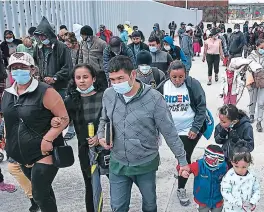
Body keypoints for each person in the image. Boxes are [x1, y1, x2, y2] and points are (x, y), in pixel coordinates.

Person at [97, 55, 190, 212]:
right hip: (118, 163)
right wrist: (101, 136)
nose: (116, 84)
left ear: (133, 74)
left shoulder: (154, 99)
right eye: (112, 80)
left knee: (149, 205)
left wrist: (182, 160)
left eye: (120, 78)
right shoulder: (109, 95)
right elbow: (103, 119)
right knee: (118, 207)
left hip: (145, 163)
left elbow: (170, 132)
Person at [3, 52, 69, 212]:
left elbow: (64, 118)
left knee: (38, 193)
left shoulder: (45, 91)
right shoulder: (8, 93)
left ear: (32, 69)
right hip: (21, 153)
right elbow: (8, 119)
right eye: (14, 68)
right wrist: (6, 139)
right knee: (44, 190)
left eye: (23, 67)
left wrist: (48, 139)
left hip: (44, 152)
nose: (18, 71)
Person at [55, 64, 107, 212]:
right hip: (85, 149)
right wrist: (57, 122)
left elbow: (113, 120)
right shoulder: (70, 100)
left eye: (85, 77)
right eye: (78, 77)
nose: (82, 81)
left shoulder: (105, 96)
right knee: (90, 185)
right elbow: (63, 122)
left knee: (117, 181)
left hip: (107, 146)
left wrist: (100, 136)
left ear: (94, 78)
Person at [156, 60, 207, 206]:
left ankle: (181, 188)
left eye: (181, 76)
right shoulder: (163, 87)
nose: (177, 80)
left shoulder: (193, 84)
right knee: (179, 156)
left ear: (185, 74)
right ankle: (180, 168)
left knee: (184, 158)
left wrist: (195, 128)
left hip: (189, 130)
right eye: (174, 77)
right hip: (171, 131)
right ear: (169, 75)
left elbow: (201, 107)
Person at [33, 16, 73, 98]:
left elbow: (68, 67)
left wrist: (55, 78)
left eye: (43, 35)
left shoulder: (62, 47)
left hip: (60, 87)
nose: (41, 38)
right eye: (39, 35)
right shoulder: (38, 48)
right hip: (44, 87)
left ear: (49, 34)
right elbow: (35, 62)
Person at [180, 144, 228, 212]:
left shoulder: (224, 167)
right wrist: (183, 171)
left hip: (218, 199)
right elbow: (185, 167)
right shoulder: (198, 165)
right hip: (202, 199)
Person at [220, 144, 260, 212]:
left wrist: (253, 201)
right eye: (236, 166)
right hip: (231, 209)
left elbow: (256, 189)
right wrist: (238, 203)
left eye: (244, 167)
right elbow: (225, 192)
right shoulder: (229, 176)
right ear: (232, 162)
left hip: (246, 208)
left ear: (249, 163)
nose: (240, 170)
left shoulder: (252, 175)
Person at [247, 39, 264, 132]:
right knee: (252, 100)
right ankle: (251, 114)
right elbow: (247, 70)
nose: (263, 49)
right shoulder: (250, 56)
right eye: (261, 47)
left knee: (261, 103)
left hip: (263, 82)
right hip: (253, 82)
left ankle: (259, 121)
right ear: (256, 47)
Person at [79, 25, 108, 89]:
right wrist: (80, 67)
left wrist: (105, 70)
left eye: (83, 36)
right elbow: (80, 57)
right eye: (81, 36)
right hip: (87, 71)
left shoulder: (101, 43)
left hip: (99, 72)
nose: (82, 38)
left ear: (89, 35)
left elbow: (108, 57)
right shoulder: (82, 43)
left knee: (101, 89)